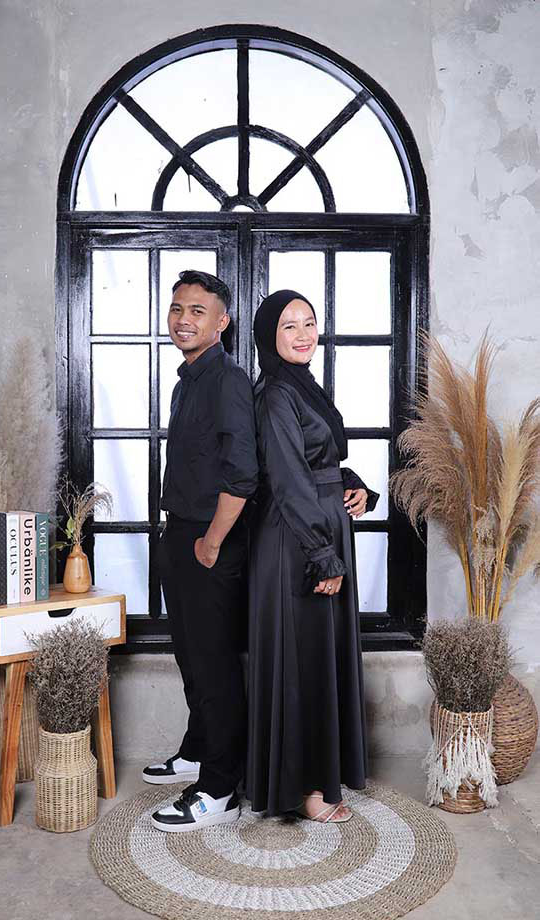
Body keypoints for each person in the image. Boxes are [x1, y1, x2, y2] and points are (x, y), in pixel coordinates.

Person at [246, 289, 379, 823]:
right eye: (289, 326)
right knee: (301, 659)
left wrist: (355, 485)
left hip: (319, 527)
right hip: (297, 540)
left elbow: (318, 460)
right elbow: (286, 478)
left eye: (309, 322)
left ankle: (318, 777)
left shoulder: (303, 386)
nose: (303, 335)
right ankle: (302, 789)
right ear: (268, 337)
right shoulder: (276, 393)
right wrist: (323, 555)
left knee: (318, 656)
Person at [145, 269, 258, 832]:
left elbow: (243, 474)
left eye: (197, 311)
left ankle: (218, 789)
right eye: (177, 309)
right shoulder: (186, 381)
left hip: (211, 541)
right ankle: (197, 750)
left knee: (213, 665)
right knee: (191, 657)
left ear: (222, 322)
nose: (183, 320)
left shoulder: (228, 380)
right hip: (181, 533)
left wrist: (211, 541)